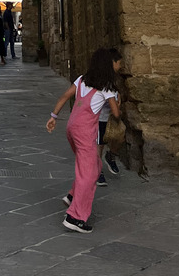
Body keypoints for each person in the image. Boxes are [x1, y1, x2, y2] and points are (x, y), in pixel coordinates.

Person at [45, 47, 121, 234]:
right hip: (86, 132)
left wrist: (53, 116)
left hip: (71, 128)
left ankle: (72, 196)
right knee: (88, 174)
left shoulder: (81, 80)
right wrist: (118, 103)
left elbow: (64, 96)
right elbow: (116, 114)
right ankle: (75, 217)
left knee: (92, 165)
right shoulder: (107, 88)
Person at [97, 48, 123, 180]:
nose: (120, 66)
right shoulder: (104, 81)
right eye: (119, 63)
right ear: (113, 62)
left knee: (119, 137)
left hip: (110, 116)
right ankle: (97, 170)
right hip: (101, 117)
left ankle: (111, 156)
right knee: (100, 144)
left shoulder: (114, 79)